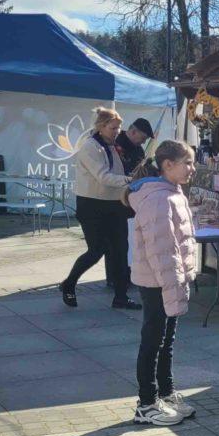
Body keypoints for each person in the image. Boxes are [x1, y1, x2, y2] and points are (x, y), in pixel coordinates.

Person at [125, 141, 198, 426]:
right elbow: (162, 251)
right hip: (158, 281)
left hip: (168, 279)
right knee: (153, 341)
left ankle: (165, 393)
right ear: (168, 165)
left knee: (166, 341)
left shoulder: (172, 193)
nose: (192, 168)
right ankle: (146, 403)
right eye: (187, 162)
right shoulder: (158, 198)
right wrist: (172, 287)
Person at [60, 107, 141, 310]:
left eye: (119, 128)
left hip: (114, 203)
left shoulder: (111, 145)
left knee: (121, 250)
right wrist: (130, 180)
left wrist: (133, 175)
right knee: (97, 250)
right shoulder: (90, 147)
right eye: (113, 128)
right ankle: (69, 283)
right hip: (92, 204)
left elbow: (116, 171)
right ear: (101, 127)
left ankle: (121, 296)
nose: (117, 132)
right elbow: (103, 177)